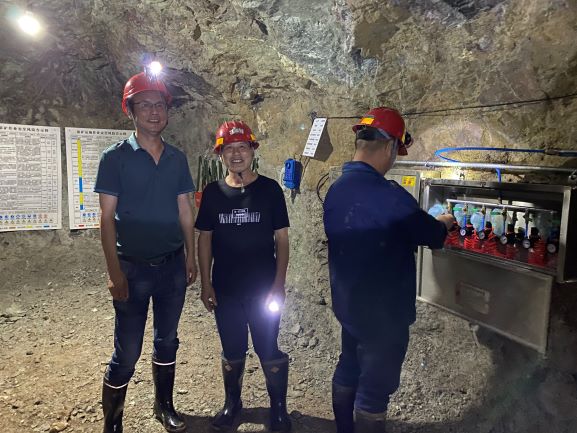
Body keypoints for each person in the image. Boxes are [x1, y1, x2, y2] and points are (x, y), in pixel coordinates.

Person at [323, 107, 455, 433]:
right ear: (390, 146)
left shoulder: (336, 190)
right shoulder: (390, 196)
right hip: (384, 316)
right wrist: (444, 222)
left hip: (349, 306)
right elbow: (432, 235)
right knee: (374, 390)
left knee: (348, 367)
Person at [95, 70, 197, 433]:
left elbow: (185, 210)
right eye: (145, 104)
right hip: (132, 268)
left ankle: (163, 405)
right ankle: (113, 423)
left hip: (171, 266)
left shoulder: (177, 158)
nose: (154, 111)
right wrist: (114, 273)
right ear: (131, 110)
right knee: (127, 351)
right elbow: (106, 218)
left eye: (160, 104)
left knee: (167, 339)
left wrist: (190, 256)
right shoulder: (115, 158)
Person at [195, 120, 292, 432]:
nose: (236, 154)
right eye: (229, 149)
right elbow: (205, 239)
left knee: (268, 347)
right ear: (221, 154)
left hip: (263, 289)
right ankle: (232, 404)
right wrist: (206, 284)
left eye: (242, 147)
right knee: (232, 348)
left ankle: (279, 409)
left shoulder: (270, 190)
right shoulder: (213, 193)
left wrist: (279, 285)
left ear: (252, 150)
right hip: (226, 288)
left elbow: (282, 239)